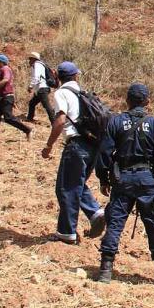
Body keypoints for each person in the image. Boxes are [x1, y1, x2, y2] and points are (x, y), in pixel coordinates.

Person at [94, 83, 154, 286]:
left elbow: (104, 154)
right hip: (147, 179)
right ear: (147, 101)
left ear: (127, 100)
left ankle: (105, 270)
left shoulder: (115, 122)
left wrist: (103, 179)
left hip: (122, 180)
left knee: (114, 223)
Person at [41, 61, 106, 244]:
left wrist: (49, 145)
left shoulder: (62, 93)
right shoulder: (84, 94)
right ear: (76, 76)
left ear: (58, 77)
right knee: (76, 183)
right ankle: (95, 212)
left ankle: (66, 233)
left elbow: (60, 120)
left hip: (76, 145)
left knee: (66, 188)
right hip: (93, 146)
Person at [0, 54, 32, 142]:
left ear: (1, 62)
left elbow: (5, 80)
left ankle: (27, 129)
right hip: (3, 98)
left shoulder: (5, 69)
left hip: (6, 97)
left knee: (8, 118)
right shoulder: (2, 69)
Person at [25, 52, 55, 123]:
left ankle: (54, 122)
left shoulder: (37, 64)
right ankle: (29, 118)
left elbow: (36, 77)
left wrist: (30, 86)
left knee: (47, 106)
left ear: (33, 59)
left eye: (30, 59)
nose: (29, 61)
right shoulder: (40, 64)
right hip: (40, 89)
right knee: (32, 103)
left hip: (42, 89)